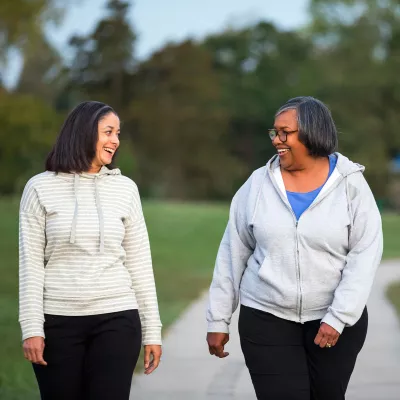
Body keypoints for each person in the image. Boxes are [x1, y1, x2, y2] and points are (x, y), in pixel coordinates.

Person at [206, 96, 383, 400]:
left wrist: (338, 317)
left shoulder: (350, 185)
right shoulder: (258, 184)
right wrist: (218, 319)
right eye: (274, 132)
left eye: (285, 132)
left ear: (313, 132)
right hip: (266, 316)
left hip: (333, 321)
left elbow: (365, 254)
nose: (277, 140)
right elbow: (232, 253)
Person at [19, 101, 162, 400]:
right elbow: (30, 265)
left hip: (117, 318)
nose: (115, 141)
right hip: (57, 321)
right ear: (83, 133)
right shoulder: (39, 188)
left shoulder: (125, 189)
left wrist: (152, 331)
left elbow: (139, 263)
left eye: (118, 133)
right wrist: (32, 328)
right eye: (108, 132)